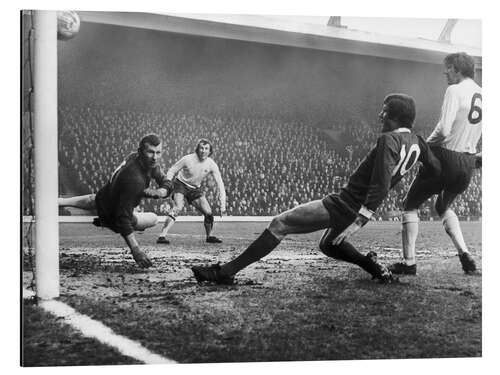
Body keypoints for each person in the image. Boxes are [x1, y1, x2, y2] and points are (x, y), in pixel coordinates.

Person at [191, 93, 441, 285]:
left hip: (346, 204)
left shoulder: (389, 139)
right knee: (328, 245)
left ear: (394, 116)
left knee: (280, 223)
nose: (379, 116)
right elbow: (436, 169)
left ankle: (226, 272)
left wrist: (361, 218)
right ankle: (375, 268)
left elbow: (382, 181)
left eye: (384, 112)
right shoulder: (418, 141)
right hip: (352, 205)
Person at [388, 52, 482, 276]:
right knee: (442, 206)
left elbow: (444, 129)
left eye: (448, 68)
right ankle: (465, 254)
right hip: (467, 163)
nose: (445, 72)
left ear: (457, 69)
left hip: (445, 157)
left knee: (410, 204)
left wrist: (424, 146)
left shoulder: (454, 90)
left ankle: (409, 263)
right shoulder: (485, 95)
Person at [58, 134, 172, 268]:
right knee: (153, 219)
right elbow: (123, 219)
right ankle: (107, 222)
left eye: (158, 152)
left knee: (95, 198)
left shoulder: (134, 157)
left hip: (103, 198)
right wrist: (136, 250)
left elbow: (165, 181)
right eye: (151, 152)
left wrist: (160, 192)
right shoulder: (134, 180)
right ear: (141, 151)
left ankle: (60, 202)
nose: (155, 157)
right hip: (115, 215)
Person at [156, 138, 227, 244]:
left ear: (210, 151)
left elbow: (220, 184)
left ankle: (209, 236)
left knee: (208, 213)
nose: (203, 151)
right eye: (201, 148)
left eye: (206, 148)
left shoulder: (211, 164)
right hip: (180, 184)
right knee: (178, 207)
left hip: (195, 188)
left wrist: (223, 205)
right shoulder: (187, 159)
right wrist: (167, 184)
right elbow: (172, 170)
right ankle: (162, 235)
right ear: (197, 149)